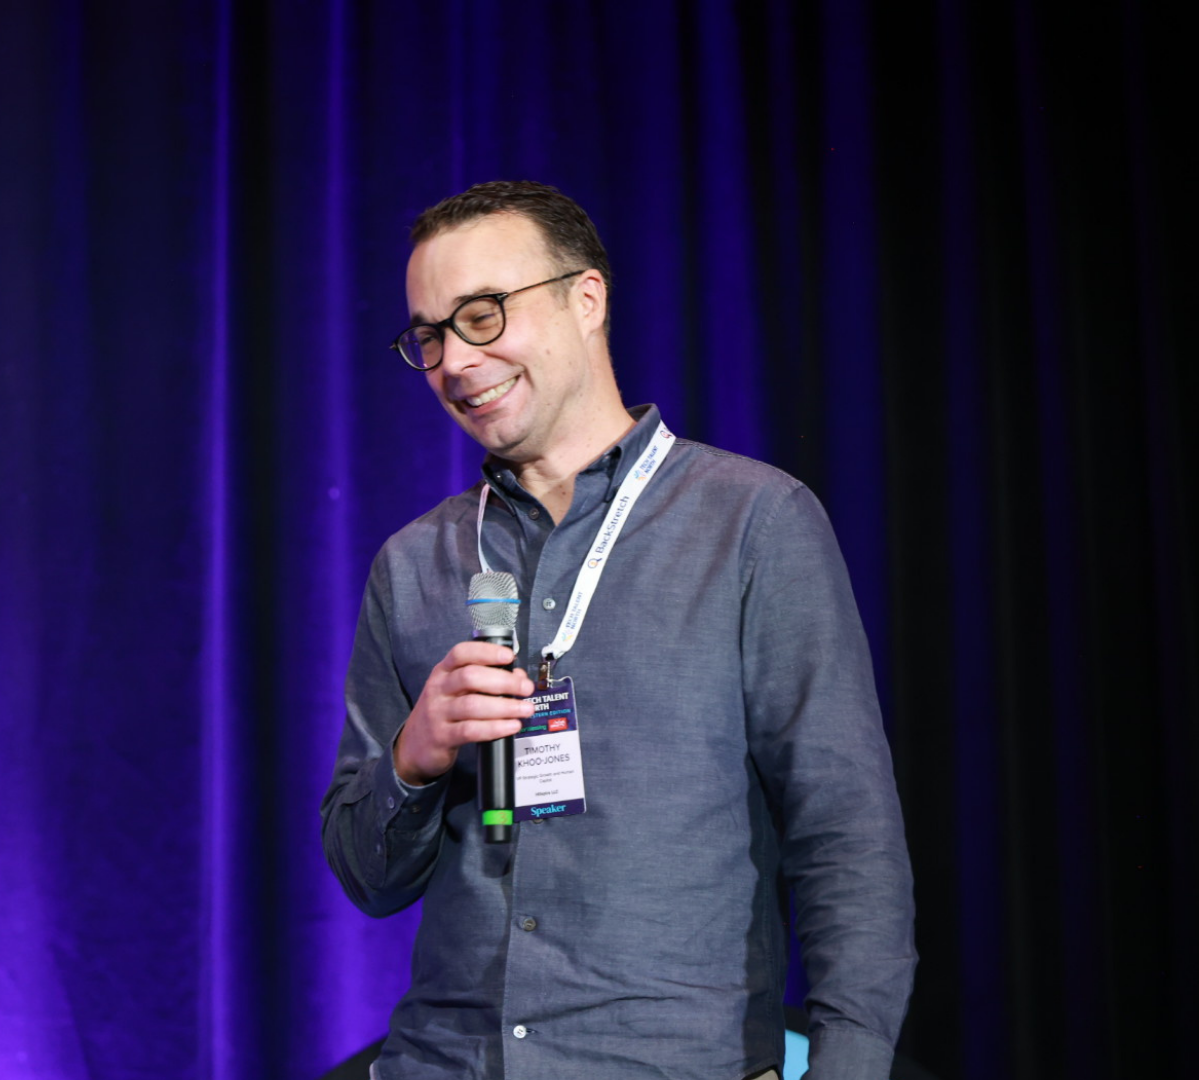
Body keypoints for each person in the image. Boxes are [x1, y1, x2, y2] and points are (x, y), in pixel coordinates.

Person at [321, 181, 915, 1080]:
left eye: (482, 316)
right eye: (430, 336)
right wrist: (414, 756)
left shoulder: (752, 523)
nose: (455, 361)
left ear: (587, 299)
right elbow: (366, 878)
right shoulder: (414, 564)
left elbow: (847, 837)